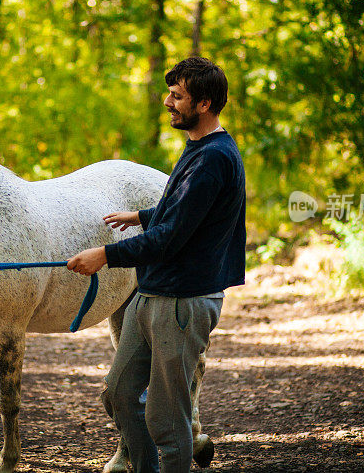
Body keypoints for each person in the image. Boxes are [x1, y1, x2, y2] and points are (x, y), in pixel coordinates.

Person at [67, 56, 246, 473]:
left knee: (167, 421)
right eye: (170, 92)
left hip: (182, 303)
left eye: (177, 96)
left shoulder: (215, 158)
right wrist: (142, 215)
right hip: (152, 294)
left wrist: (104, 256)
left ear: (204, 104)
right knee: (120, 395)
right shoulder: (199, 147)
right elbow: (183, 207)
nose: (167, 101)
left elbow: (171, 238)